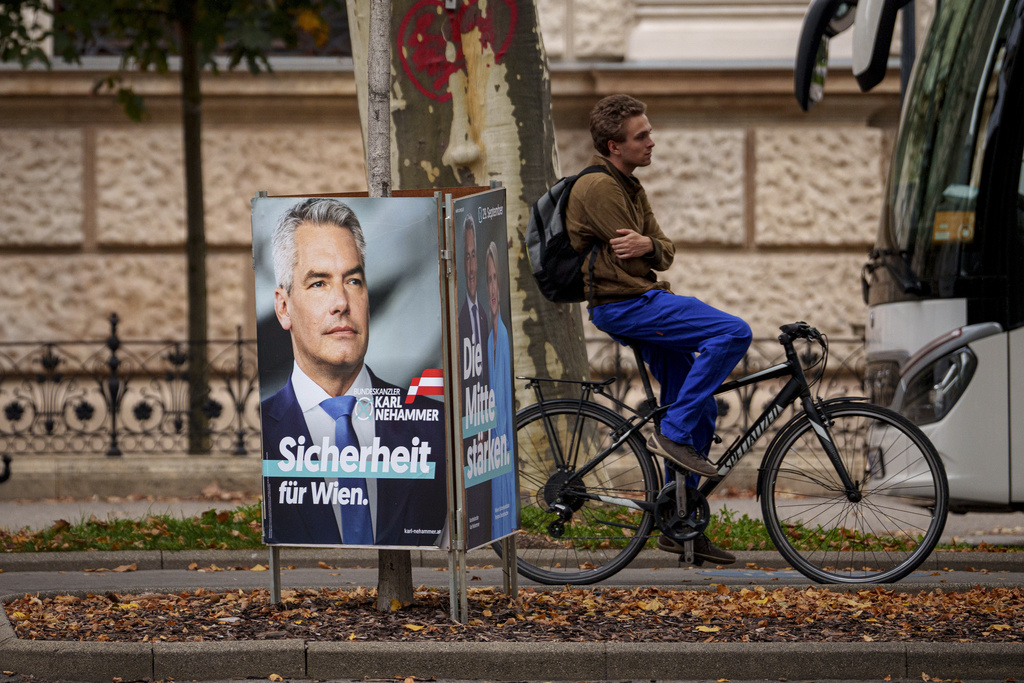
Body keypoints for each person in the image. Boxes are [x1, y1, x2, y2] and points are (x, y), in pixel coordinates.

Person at [565, 94, 752, 565]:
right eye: (641, 135)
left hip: (644, 299)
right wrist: (650, 248)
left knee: (702, 409)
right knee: (733, 333)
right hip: (628, 304)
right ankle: (671, 428)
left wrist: (649, 243)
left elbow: (661, 251)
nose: (652, 141)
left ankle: (681, 524)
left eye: (649, 132)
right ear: (614, 145)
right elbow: (636, 258)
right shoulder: (599, 190)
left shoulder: (632, 186)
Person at [260, 197, 447, 547]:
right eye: (319, 283)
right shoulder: (264, 429)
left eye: (354, 281)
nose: (342, 303)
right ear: (283, 308)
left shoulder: (432, 428)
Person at [458, 216, 492, 545]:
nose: (470, 265)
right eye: (465, 256)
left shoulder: (482, 314)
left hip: (483, 437)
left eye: (473, 256)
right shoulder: (457, 319)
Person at [484, 240, 516, 538]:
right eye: (488, 279)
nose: (493, 289)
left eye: (497, 280)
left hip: (499, 450)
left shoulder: (501, 333)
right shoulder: (483, 333)